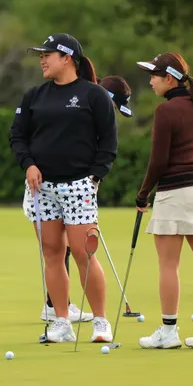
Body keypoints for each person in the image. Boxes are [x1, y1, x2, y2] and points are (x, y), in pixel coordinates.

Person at [10, 33, 118, 343]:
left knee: (84, 253)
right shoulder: (34, 96)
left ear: (67, 58)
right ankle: (61, 321)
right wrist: (28, 164)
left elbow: (108, 142)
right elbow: (18, 136)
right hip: (41, 188)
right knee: (52, 254)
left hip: (78, 186)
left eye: (47, 55)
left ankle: (100, 321)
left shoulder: (94, 95)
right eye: (40, 55)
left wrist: (95, 177)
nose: (42, 60)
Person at [135, 52, 193, 349]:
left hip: (175, 193)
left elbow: (159, 161)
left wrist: (143, 194)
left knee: (168, 264)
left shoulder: (166, 111)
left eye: (154, 76)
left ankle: (168, 332)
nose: (150, 81)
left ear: (169, 78)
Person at [38, 75, 135, 324]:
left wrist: (95, 176)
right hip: (56, 183)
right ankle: (54, 305)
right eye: (114, 107)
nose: (113, 113)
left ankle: (57, 305)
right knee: (61, 248)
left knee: (73, 248)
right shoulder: (81, 104)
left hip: (82, 184)